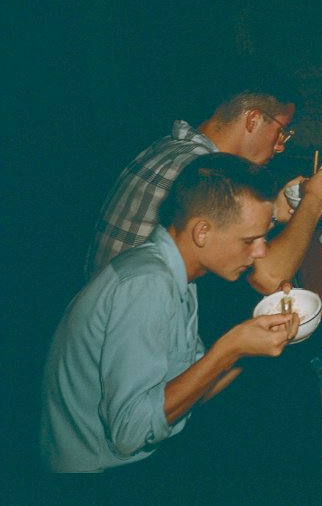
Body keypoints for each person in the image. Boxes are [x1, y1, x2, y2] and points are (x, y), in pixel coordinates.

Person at [41, 153, 301, 474]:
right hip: (102, 474)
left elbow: (187, 392)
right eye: (249, 240)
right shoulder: (146, 286)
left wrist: (252, 350)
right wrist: (229, 347)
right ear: (201, 231)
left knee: (279, 395)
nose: (261, 251)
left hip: (141, 452)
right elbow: (131, 435)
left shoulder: (179, 272)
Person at [86, 78, 322, 294]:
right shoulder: (204, 171)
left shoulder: (170, 147)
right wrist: (314, 202)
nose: (281, 145)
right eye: (282, 131)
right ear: (253, 120)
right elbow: (269, 278)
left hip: (111, 299)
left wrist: (272, 210)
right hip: (136, 317)